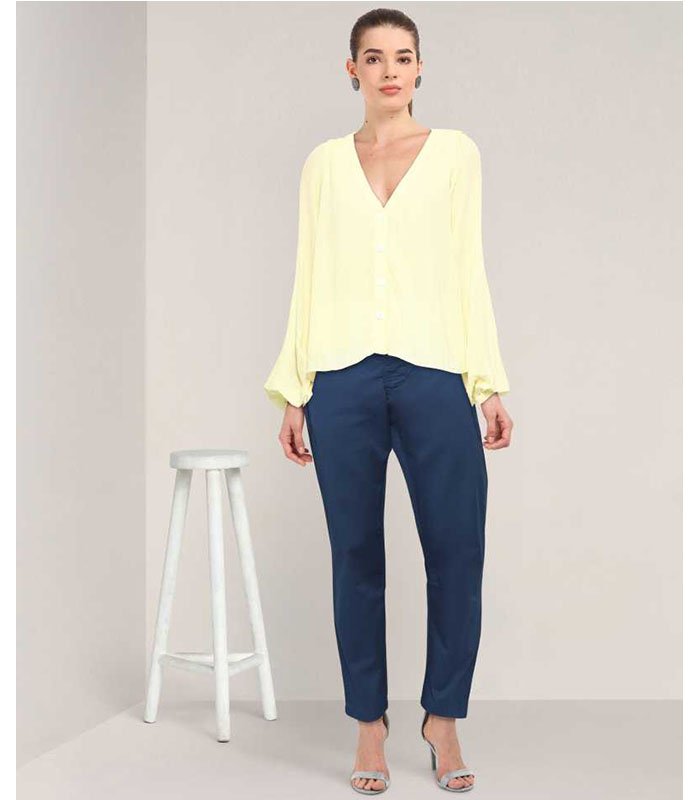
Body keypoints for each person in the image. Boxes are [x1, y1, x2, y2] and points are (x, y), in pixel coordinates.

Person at [264, 8, 514, 794]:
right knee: (355, 557)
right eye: (373, 58)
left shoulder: (455, 154)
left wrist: (487, 381)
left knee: (457, 552)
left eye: (403, 57)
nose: (390, 71)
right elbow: (308, 275)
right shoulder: (322, 165)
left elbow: (469, 266)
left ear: (420, 67)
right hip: (340, 378)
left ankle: (443, 718)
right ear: (353, 71)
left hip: (434, 373)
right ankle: (368, 727)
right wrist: (294, 388)